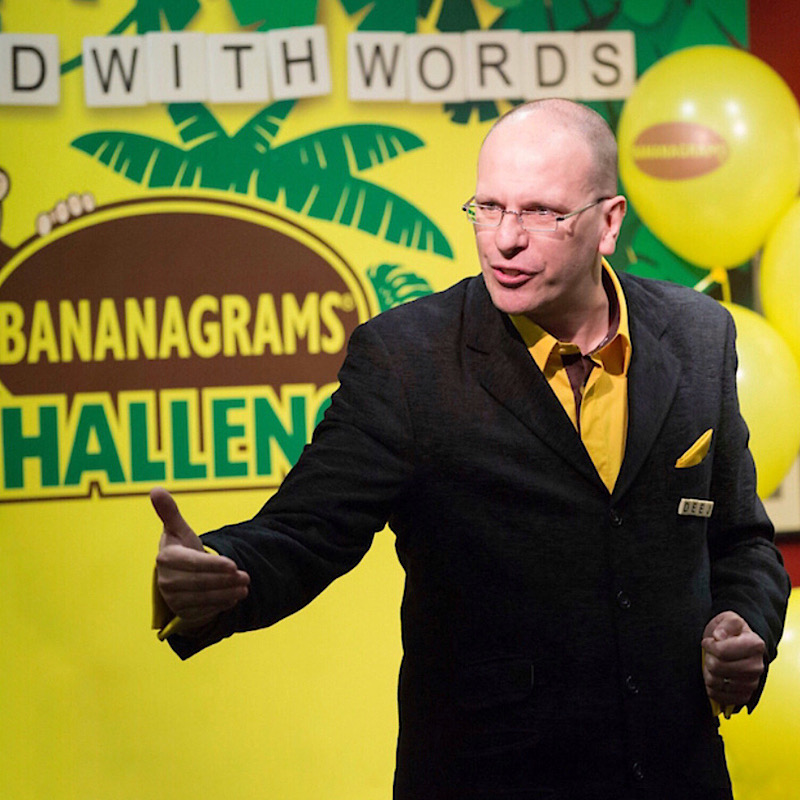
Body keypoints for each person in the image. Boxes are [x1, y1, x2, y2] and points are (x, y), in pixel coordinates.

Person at [151, 99, 790, 800]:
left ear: (608, 223)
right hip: (490, 776)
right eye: (488, 207)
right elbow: (306, 529)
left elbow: (743, 542)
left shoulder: (699, 335)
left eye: (542, 212)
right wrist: (222, 566)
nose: (504, 240)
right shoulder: (406, 360)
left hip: (676, 775)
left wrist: (743, 625)